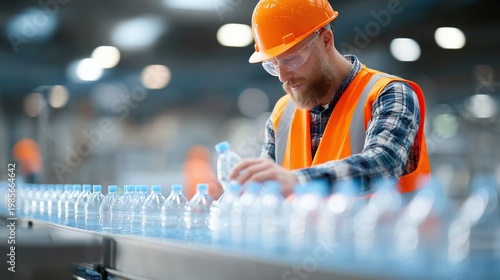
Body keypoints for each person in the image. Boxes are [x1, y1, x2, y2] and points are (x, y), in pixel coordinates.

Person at [230, 0, 430, 197]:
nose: (282, 76)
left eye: (290, 59)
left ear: (326, 40)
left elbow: (383, 164)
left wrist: (297, 181)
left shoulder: (389, 94)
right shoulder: (282, 114)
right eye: (273, 65)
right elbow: (271, 183)